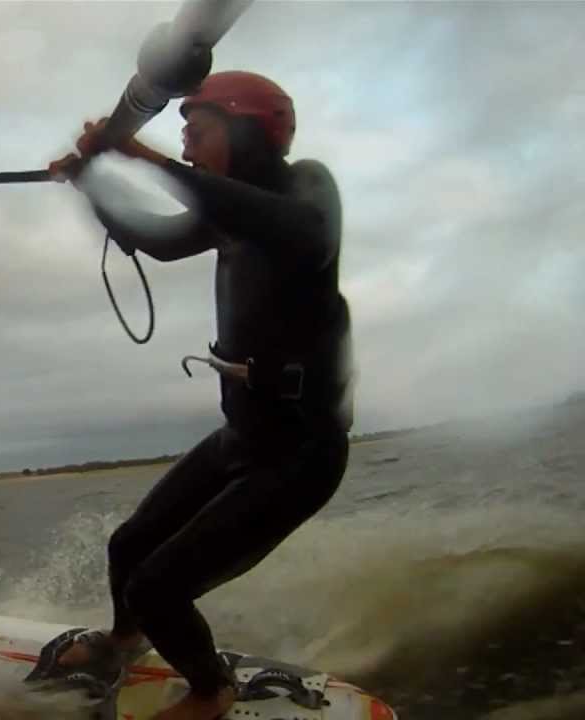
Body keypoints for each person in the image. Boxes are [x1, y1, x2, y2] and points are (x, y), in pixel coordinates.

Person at [45, 71, 356, 720]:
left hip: (300, 456)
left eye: (197, 133)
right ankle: (123, 642)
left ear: (248, 129)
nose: (187, 148)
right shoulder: (226, 216)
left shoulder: (305, 190)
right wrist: (92, 183)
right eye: (182, 138)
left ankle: (211, 691)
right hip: (240, 439)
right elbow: (155, 241)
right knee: (127, 549)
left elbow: (302, 233)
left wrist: (142, 156)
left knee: (158, 586)